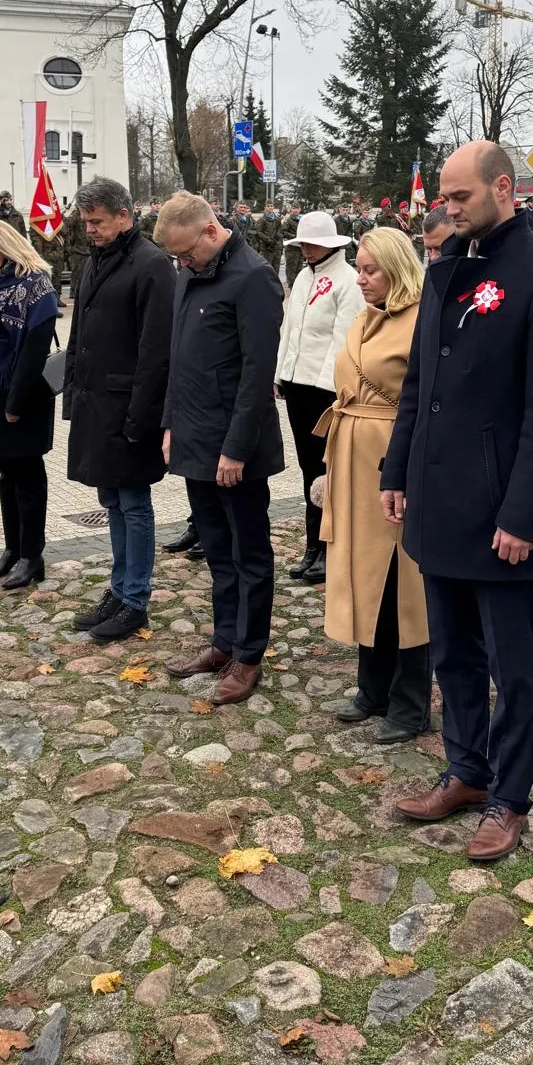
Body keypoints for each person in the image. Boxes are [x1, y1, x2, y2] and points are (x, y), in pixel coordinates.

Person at [382, 142, 533, 860]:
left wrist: (525, 512)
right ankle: (466, 770)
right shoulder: (447, 270)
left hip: (500, 509)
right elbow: (420, 386)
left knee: (512, 664)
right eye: (444, 196)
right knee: (454, 655)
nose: (448, 208)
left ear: (504, 187)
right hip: (439, 501)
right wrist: (395, 470)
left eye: (461, 196)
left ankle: (510, 795)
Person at [157, 193, 285, 705]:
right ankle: (224, 640)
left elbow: (257, 374)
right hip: (194, 437)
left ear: (211, 230)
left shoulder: (253, 277)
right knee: (215, 548)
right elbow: (179, 357)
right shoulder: (192, 273)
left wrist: (236, 449)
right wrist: (170, 423)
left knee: (248, 553)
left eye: (186, 253)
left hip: (237, 448)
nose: (181, 263)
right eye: (176, 258)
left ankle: (249, 654)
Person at [317, 228, 430, 743]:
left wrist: (406, 469)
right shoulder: (364, 317)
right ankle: (373, 686)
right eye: (358, 269)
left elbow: (421, 401)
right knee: (363, 574)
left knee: (405, 584)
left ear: (396, 267)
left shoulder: (421, 319)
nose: (360, 279)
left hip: (395, 460)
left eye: (370, 269)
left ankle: (411, 702)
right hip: (352, 458)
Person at [63, 177, 175, 642]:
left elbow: (156, 351)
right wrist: (71, 391)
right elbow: (79, 330)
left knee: (133, 503)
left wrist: (141, 417)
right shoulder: (99, 257)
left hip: (129, 406)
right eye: (86, 222)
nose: (89, 229)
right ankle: (118, 586)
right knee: (110, 500)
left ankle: (135, 599)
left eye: (97, 221)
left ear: (124, 215)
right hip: (96, 404)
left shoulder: (151, 264)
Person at [0, 217, 59, 590]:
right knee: (7, 474)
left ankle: (32, 556)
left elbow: (34, 353)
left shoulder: (37, 288)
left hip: (24, 392)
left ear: (5, 249)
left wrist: (15, 402)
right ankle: (12, 549)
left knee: (28, 476)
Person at [276, 211, 364, 583]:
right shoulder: (302, 276)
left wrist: (331, 387)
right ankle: (313, 544)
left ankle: (331, 546)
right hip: (297, 385)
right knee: (309, 469)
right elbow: (290, 329)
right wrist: (281, 372)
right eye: (302, 245)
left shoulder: (348, 281)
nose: (306, 251)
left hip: (324, 390)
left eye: (311, 244)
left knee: (329, 471)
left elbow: (343, 339)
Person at [281, 205, 303, 288]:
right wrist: (294, 236)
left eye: (297, 208)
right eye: (294, 208)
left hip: (300, 247)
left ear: (300, 210)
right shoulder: (288, 220)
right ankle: (291, 285)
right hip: (291, 248)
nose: (295, 210)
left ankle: (298, 285)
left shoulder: (301, 220)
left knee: (299, 267)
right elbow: (283, 232)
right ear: (291, 210)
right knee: (291, 268)